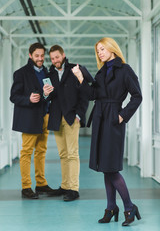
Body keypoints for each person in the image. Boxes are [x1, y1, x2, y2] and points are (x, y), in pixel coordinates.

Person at [72, 37, 142, 226]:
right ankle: (111, 207)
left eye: (102, 49)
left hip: (113, 119)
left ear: (112, 49)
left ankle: (129, 206)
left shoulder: (125, 70)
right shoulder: (102, 72)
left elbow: (137, 96)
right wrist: (81, 79)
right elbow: (93, 95)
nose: (100, 53)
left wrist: (122, 116)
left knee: (111, 167)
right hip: (100, 118)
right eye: (98, 51)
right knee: (105, 167)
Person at [43, 45, 89, 201]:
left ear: (63, 55)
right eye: (53, 58)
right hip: (56, 118)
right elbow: (49, 97)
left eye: (57, 57)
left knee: (72, 154)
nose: (55, 60)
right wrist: (45, 93)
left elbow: (84, 94)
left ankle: (73, 189)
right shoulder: (49, 74)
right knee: (63, 154)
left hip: (71, 118)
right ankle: (65, 186)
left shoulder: (75, 70)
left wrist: (79, 114)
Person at [10, 43, 55, 199]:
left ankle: (41, 184)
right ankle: (26, 187)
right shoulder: (21, 73)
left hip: (44, 116)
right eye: (37, 56)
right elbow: (14, 96)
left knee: (41, 152)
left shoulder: (47, 72)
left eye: (42, 56)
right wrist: (28, 98)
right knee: (27, 152)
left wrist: (47, 95)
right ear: (30, 55)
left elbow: (46, 96)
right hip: (29, 118)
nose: (40, 59)